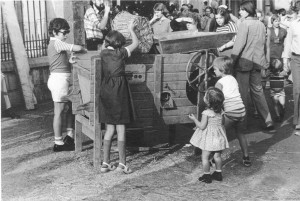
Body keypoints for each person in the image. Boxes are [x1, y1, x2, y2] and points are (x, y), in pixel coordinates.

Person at [99, 21, 139, 173]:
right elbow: (136, 43)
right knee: (121, 127)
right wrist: (131, 29)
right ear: (119, 44)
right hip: (119, 90)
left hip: (106, 89)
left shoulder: (103, 52)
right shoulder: (121, 53)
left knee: (109, 128)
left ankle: (105, 163)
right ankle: (122, 163)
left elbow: (105, 45)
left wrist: (108, 36)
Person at [231, 1, 274, 130]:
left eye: (242, 10)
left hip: (244, 64)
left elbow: (238, 46)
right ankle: (268, 120)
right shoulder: (261, 24)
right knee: (258, 92)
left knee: (243, 93)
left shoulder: (245, 24)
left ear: (247, 11)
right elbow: (262, 45)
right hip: (257, 63)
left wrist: (232, 62)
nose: (239, 12)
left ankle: (242, 123)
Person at [47, 18, 86, 152]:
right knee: (58, 111)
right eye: (64, 32)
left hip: (61, 79)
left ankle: (69, 136)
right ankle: (58, 143)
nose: (66, 35)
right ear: (54, 32)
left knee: (69, 108)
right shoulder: (57, 43)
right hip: (59, 80)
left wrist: (69, 61)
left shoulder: (57, 43)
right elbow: (78, 48)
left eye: (67, 32)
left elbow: (59, 61)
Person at [213, 56, 251, 167]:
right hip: (241, 111)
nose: (213, 71)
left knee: (220, 134)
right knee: (241, 133)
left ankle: (215, 159)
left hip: (231, 112)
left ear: (221, 69)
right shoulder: (233, 79)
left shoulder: (219, 83)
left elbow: (217, 100)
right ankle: (246, 157)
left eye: (215, 69)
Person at [189, 87, 229, 183]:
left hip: (209, 140)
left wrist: (194, 119)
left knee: (205, 157)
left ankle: (207, 176)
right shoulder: (221, 111)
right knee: (217, 157)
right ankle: (218, 173)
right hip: (219, 138)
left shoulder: (206, 113)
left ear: (208, 101)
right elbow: (223, 123)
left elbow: (202, 126)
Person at [282, 1, 300, 133]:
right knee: (297, 89)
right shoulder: (294, 24)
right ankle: (297, 120)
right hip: (296, 59)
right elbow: (288, 43)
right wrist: (285, 60)